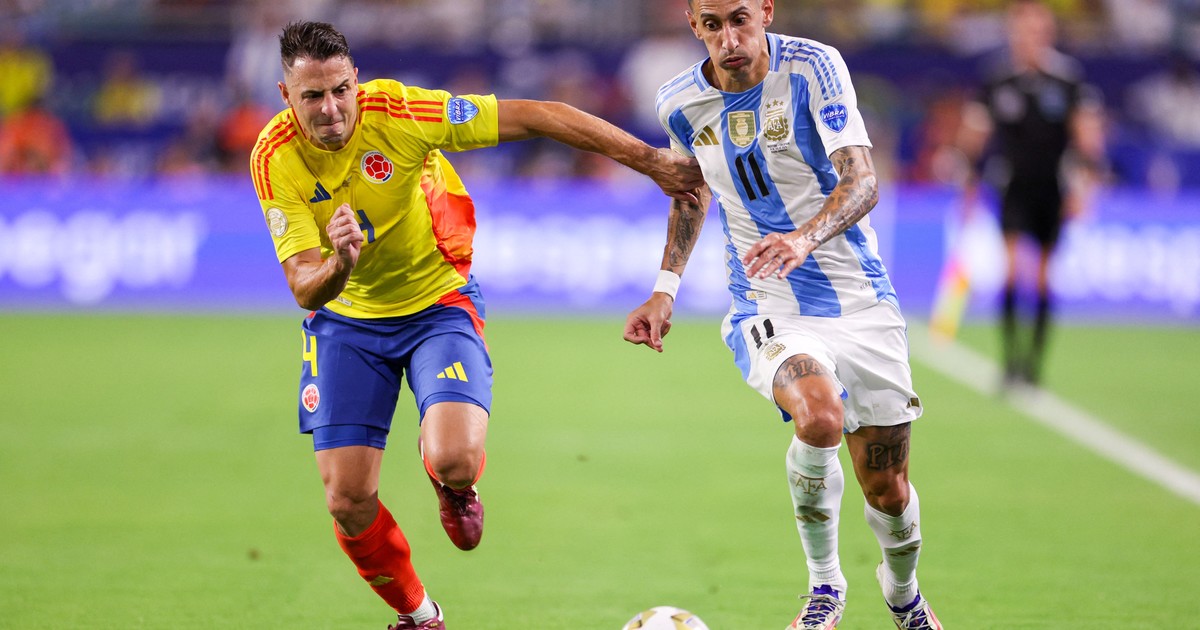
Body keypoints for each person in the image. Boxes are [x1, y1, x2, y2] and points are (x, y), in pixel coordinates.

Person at [250, 21, 702, 630]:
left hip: (437, 304)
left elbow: (538, 116)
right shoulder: (274, 156)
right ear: (286, 95)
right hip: (346, 322)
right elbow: (304, 284)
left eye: (340, 90)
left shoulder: (402, 112)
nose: (331, 109)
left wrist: (649, 161)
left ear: (356, 79)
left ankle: (454, 484)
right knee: (347, 500)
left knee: (456, 458)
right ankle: (420, 616)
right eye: (312, 96)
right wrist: (341, 264)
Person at [622, 2, 941, 629]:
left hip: (859, 299)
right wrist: (665, 287)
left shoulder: (814, 67)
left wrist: (803, 238)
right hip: (766, 301)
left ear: (766, 11)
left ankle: (902, 592)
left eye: (740, 18)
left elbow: (863, 180)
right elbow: (692, 191)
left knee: (889, 490)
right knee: (819, 416)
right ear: (693, 25)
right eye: (712, 24)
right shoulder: (678, 102)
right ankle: (825, 588)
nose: (728, 38)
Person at [961, 0, 1105, 388]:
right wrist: (969, 186)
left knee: (1042, 278)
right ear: (1012, 33)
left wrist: (1084, 188)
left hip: (1052, 186)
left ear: (1048, 34)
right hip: (1012, 184)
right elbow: (975, 136)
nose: (1030, 38)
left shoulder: (1066, 79)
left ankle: (1033, 364)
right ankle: (1010, 362)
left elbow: (1086, 136)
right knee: (1010, 272)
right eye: (1023, 30)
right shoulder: (997, 79)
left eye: (1037, 30)